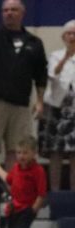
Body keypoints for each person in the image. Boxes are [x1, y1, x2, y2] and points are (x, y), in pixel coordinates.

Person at [0, 0, 48, 191]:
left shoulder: (34, 43)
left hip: (21, 106)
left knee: (16, 152)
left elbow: (40, 74)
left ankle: (13, 192)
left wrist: (39, 101)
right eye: (5, 10)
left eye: (13, 10)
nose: (9, 13)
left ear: (22, 13)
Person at [0, 136, 48, 228]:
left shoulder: (38, 171)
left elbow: (41, 194)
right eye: (19, 153)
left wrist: (33, 210)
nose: (21, 156)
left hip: (27, 209)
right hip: (13, 207)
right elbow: (8, 178)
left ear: (33, 153)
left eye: (25, 152)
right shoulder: (16, 168)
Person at [40, 21, 75, 192]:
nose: (72, 37)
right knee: (56, 152)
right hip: (57, 108)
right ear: (63, 37)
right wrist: (66, 57)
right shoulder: (55, 55)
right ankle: (54, 192)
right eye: (69, 34)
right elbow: (52, 76)